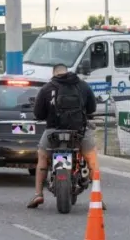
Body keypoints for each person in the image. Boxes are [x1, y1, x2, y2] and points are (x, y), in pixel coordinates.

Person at [29, 63, 99, 209]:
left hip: (53, 132)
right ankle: (98, 196)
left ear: (54, 73)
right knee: (91, 158)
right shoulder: (82, 85)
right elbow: (92, 108)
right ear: (67, 72)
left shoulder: (47, 88)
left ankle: (38, 194)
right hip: (79, 131)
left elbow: (38, 114)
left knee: (42, 156)